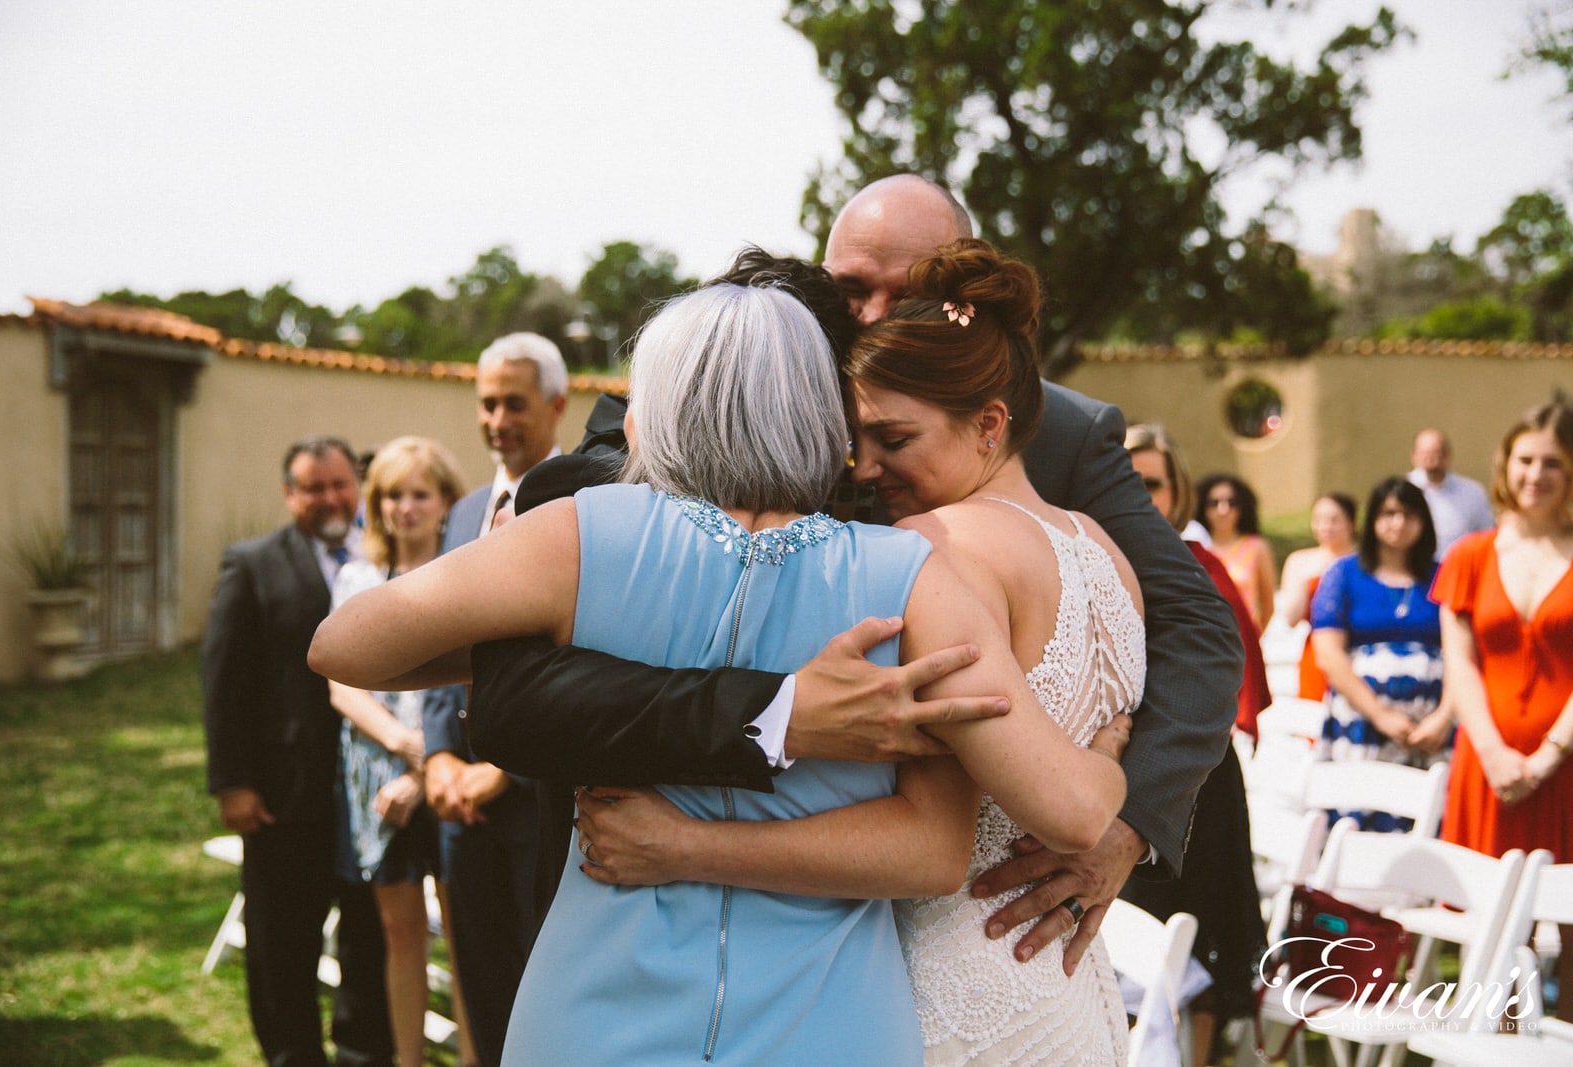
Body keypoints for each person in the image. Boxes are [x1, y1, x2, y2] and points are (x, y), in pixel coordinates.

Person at [309, 279, 1129, 1064]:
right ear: (823, 415)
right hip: (829, 1023)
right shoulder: (911, 575)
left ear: (658, 408)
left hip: (596, 1013)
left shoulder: (582, 537)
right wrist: (1113, 744)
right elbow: (1065, 813)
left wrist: (548, 627)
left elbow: (345, 645)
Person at [462, 175, 1243, 972]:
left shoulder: (1061, 431)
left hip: (925, 913)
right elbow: (518, 694)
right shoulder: (703, 397)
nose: (872, 316)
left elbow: (1198, 625)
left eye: (907, 292)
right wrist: (774, 714)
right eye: (852, 289)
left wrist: (1127, 819)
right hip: (644, 904)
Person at [572, 240, 1143, 1063]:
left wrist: (685, 845)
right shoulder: (1101, 546)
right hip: (1070, 988)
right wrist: (1114, 751)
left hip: (958, 994)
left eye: (894, 438)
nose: (867, 469)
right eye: (856, 441)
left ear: (989, 424)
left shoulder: (932, 550)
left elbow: (1044, 816)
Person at [201, 435, 392, 1067]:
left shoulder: (384, 555)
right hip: (284, 794)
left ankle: (362, 1052)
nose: (330, 498)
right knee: (282, 946)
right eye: (313, 487)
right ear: (290, 496)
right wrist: (233, 782)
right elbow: (223, 680)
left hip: (369, 793)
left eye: (340, 484)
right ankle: (291, 1055)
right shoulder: (251, 564)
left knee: (370, 937)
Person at [419, 332, 567, 1065]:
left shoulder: (585, 501)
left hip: (539, 796)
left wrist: (503, 769)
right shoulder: (465, 510)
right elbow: (443, 643)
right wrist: (439, 754)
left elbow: (581, 653)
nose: (497, 418)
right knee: (476, 980)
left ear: (557, 404)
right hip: (458, 806)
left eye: (514, 402)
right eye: (486, 403)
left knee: (541, 988)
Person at [1121, 423, 1267, 1065]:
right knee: (1126, 944)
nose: (1139, 494)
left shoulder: (1201, 568)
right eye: (1126, 479)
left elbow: (1232, 674)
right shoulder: (1078, 560)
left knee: (1203, 935)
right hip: (1110, 781)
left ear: (1176, 493)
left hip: (1200, 783)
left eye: (1152, 483)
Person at [327, 437, 473, 1067]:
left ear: (446, 501)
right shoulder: (359, 577)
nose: (405, 508)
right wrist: (407, 749)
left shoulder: (468, 572)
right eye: (391, 495)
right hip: (380, 777)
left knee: (464, 934)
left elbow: (471, 680)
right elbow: (341, 685)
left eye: (419, 493)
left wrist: (427, 767)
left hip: (450, 775)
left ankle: (475, 1056)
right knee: (399, 931)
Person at [1433, 400, 1573, 1021]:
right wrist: (1493, 753)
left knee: (1569, 932)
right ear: (1505, 464)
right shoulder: (1469, 554)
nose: (1535, 473)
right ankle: (1490, 1046)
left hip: (1565, 769)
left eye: (1553, 462)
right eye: (1525, 459)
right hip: (1486, 771)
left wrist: (1547, 757)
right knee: (1487, 929)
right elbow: (1459, 663)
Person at [1311, 478, 1451, 829]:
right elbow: (1328, 653)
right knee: (1358, 819)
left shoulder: (1443, 576)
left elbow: (1465, 656)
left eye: (1408, 514)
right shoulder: (1345, 573)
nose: (1398, 523)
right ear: (1372, 520)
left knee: (1424, 821)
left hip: (1429, 732)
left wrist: (1443, 718)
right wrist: (1380, 714)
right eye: (1388, 513)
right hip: (1361, 722)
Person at [1277, 492, 1358, 700]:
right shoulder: (1300, 560)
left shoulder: (1364, 561)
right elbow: (1291, 618)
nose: (1325, 526)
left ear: (1351, 522)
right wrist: (1310, 575)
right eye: (1319, 520)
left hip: (1359, 648)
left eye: (1334, 520)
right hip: (1316, 651)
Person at [1196, 471, 1276, 631]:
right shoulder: (1196, 546)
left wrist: (1254, 639)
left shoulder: (1257, 547)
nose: (1223, 510)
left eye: (1232, 502)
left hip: (1243, 639)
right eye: (1214, 503)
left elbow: (1268, 604)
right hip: (1203, 636)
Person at [1410, 427, 1496, 557]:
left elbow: (1487, 535)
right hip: (1415, 570)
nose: (1430, 459)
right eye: (1424, 453)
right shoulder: (1404, 490)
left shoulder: (1472, 492)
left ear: (1447, 455)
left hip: (1458, 568)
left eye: (1436, 453)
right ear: (1414, 456)